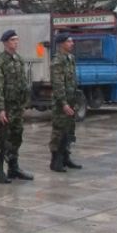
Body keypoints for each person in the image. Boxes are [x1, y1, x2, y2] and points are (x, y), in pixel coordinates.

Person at [0, 29, 34, 184]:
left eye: (17, 39)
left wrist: (24, 103)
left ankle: (13, 168)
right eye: (13, 40)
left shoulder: (18, 59)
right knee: (0, 139)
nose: (16, 42)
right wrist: (0, 109)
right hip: (5, 107)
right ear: (6, 42)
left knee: (16, 136)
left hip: (16, 107)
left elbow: (23, 83)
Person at [50, 32, 83, 172]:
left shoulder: (71, 58)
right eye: (69, 41)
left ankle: (66, 158)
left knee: (69, 131)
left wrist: (74, 101)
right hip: (61, 104)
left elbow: (73, 81)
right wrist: (64, 103)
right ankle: (56, 161)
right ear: (62, 44)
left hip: (71, 101)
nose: (72, 43)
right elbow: (58, 84)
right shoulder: (57, 61)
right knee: (59, 132)